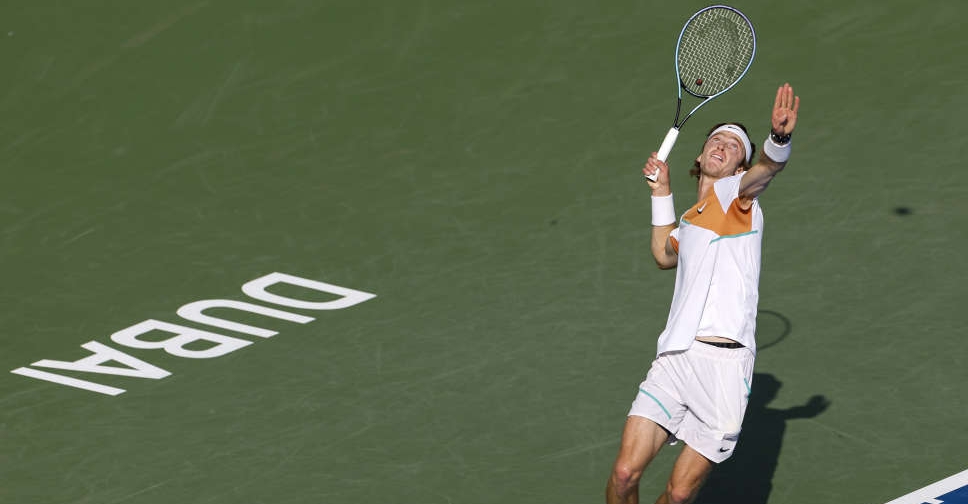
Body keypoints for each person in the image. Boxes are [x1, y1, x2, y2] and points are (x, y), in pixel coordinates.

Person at [605, 83, 800, 504]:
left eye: (734, 146)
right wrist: (661, 192)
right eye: (717, 138)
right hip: (677, 359)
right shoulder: (692, 222)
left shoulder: (737, 197)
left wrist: (778, 141)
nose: (723, 144)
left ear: (736, 168)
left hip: (726, 370)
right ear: (700, 155)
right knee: (623, 474)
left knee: (677, 496)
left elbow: (766, 169)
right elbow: (663, 252)